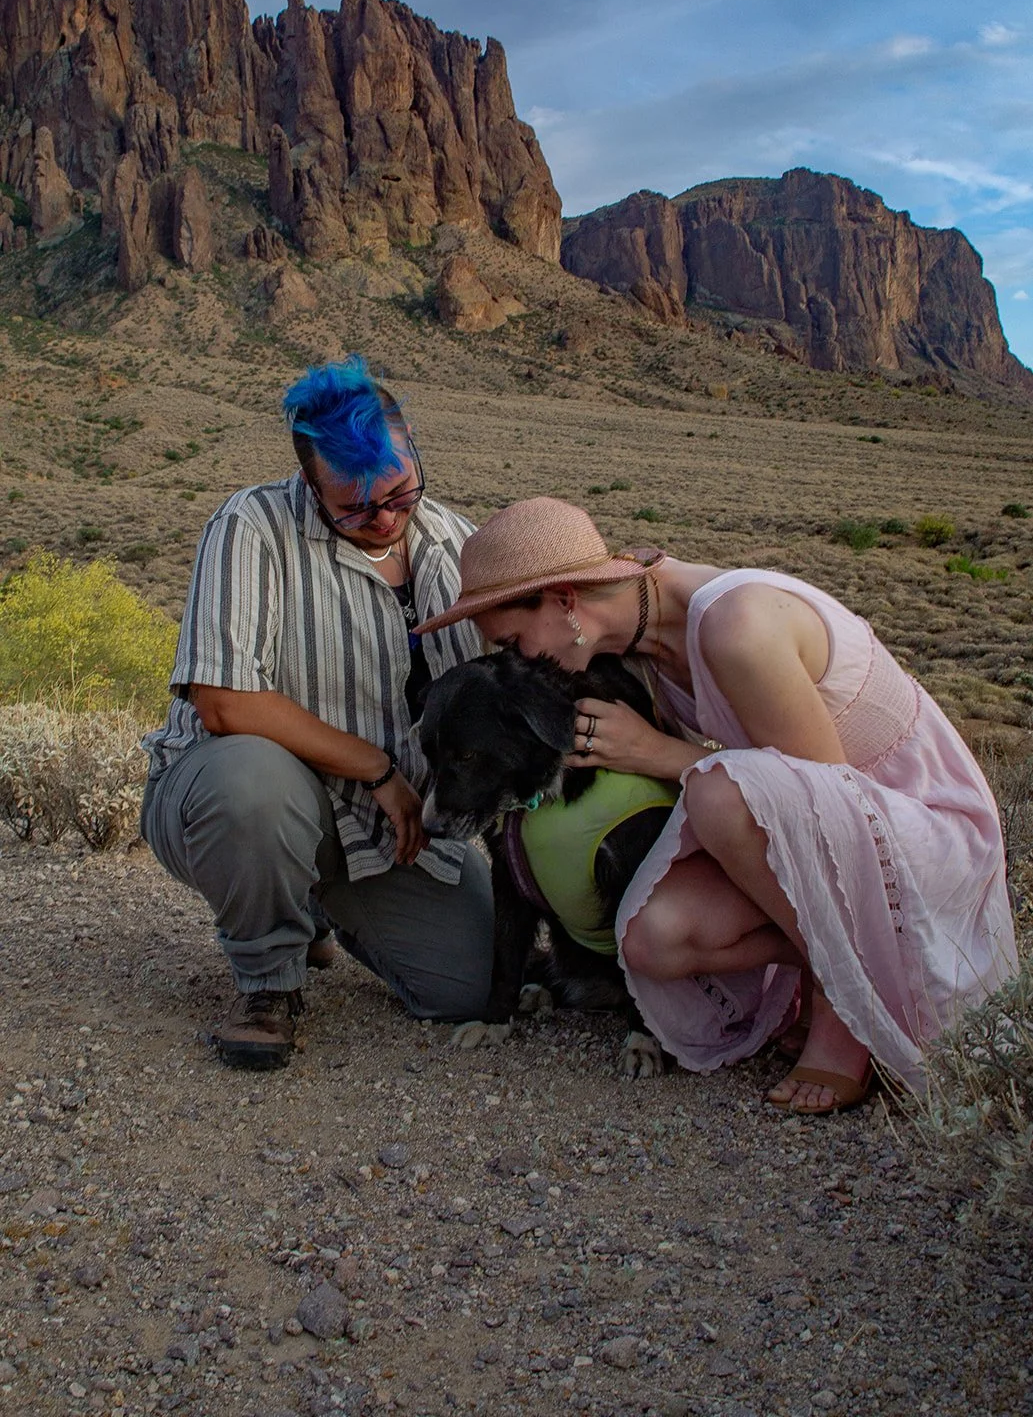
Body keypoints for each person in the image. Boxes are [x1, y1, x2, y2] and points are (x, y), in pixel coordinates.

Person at [416, 496, 1017, 1113]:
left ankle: (844, 1017)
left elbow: (833, 810)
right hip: (821, 834)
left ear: (565, 600)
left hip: (912, 825)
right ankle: (862, 962)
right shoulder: (637, 638)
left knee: (720, 795)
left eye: (513, 642)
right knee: (650, 940)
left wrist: (655, 752)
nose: (515, 663)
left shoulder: (738, 629)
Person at [141, 358, 494, 1068]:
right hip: (240, 799)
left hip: (379, 830)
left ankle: (313, 908)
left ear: (417, 452)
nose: (385, 517)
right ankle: (267, 984)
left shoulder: (463, 545)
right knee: (251, 781)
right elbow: (223, 700)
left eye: (399, 492)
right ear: (309, 482)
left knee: (474, 988)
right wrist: (376, 769)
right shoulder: (252, 525)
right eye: (354, 506)